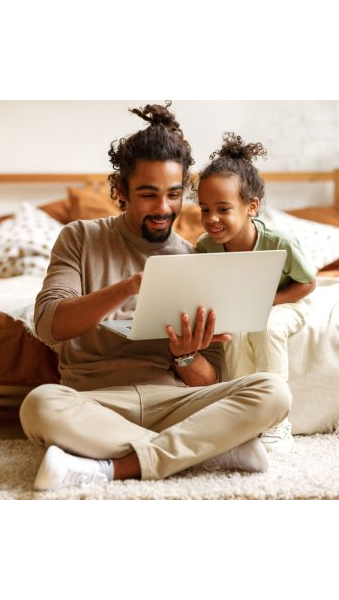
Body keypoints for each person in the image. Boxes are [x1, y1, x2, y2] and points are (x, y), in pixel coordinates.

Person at [19, 103, 292, 490]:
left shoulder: (197, 258)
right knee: (40, 406)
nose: (163, 209)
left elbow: (208, 379)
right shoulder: (80, 238)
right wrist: (129, 287)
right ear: (120, 191)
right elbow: (50, 326)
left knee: (273, 392)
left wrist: (185, 355)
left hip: (174, 403)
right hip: (97, 403)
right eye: (148, 195)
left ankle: (112, 468)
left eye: (174, 194)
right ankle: (208, 451)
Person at [196, 133, 316, 453]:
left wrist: (266, 302)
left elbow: (307, 284)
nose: (211, 219)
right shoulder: (204, 247)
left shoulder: (281, 243)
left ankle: (277, 420)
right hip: (240, 306)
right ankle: (242, 417)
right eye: (204, 209)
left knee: (267, 325)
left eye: (222, 208)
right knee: (232, 333)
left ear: (252, 206)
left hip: (285, 301)